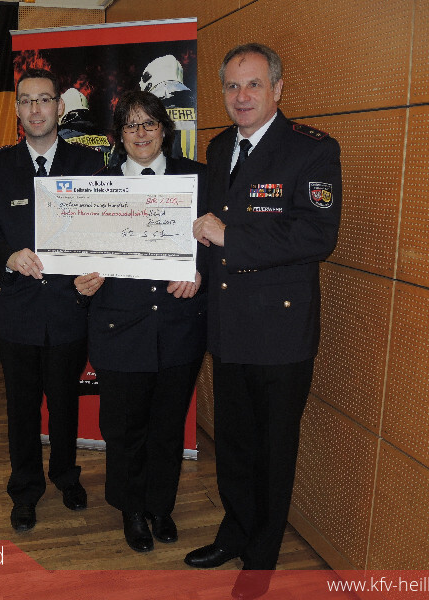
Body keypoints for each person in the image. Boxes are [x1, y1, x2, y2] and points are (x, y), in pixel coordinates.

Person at [186, 43, 342, 591]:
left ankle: (261, 559)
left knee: (273, 452)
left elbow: (316, 235)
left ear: (277, 88)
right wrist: (193, 266)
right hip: (228, 324)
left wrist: (231, 238)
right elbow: (206, 228)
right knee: (232, 444)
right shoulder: (219, 146)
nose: (242, 95)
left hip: (280, 331)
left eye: (253, 84)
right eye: (232, 86)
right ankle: (235, 531)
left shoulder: (311, 150)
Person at [0, 68, 105, 533]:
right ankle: (25, 490)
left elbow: (104, 232)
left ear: (59, 107)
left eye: (44, 99)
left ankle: (66, 476)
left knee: (65, 404)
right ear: (18, 110)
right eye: (26, 101)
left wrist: (97, 272)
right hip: (18, 312)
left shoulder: (90, 165)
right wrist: (7, 256)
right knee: (21, 409)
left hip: (70, 308)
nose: (36, 109)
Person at [74, 90, 207, 553]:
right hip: (119, 328)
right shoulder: (98, 186)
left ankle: (160, 505)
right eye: (131, 125)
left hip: (178, 326)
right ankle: (131, 509)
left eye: (149, 123)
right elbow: (77, 252)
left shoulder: (199, 179)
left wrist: (201, 273)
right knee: (125, 428)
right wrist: (80, 280)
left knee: (168, 427)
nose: (141, 133)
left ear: (164, 129)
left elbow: (222, 247)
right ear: (118, 136)